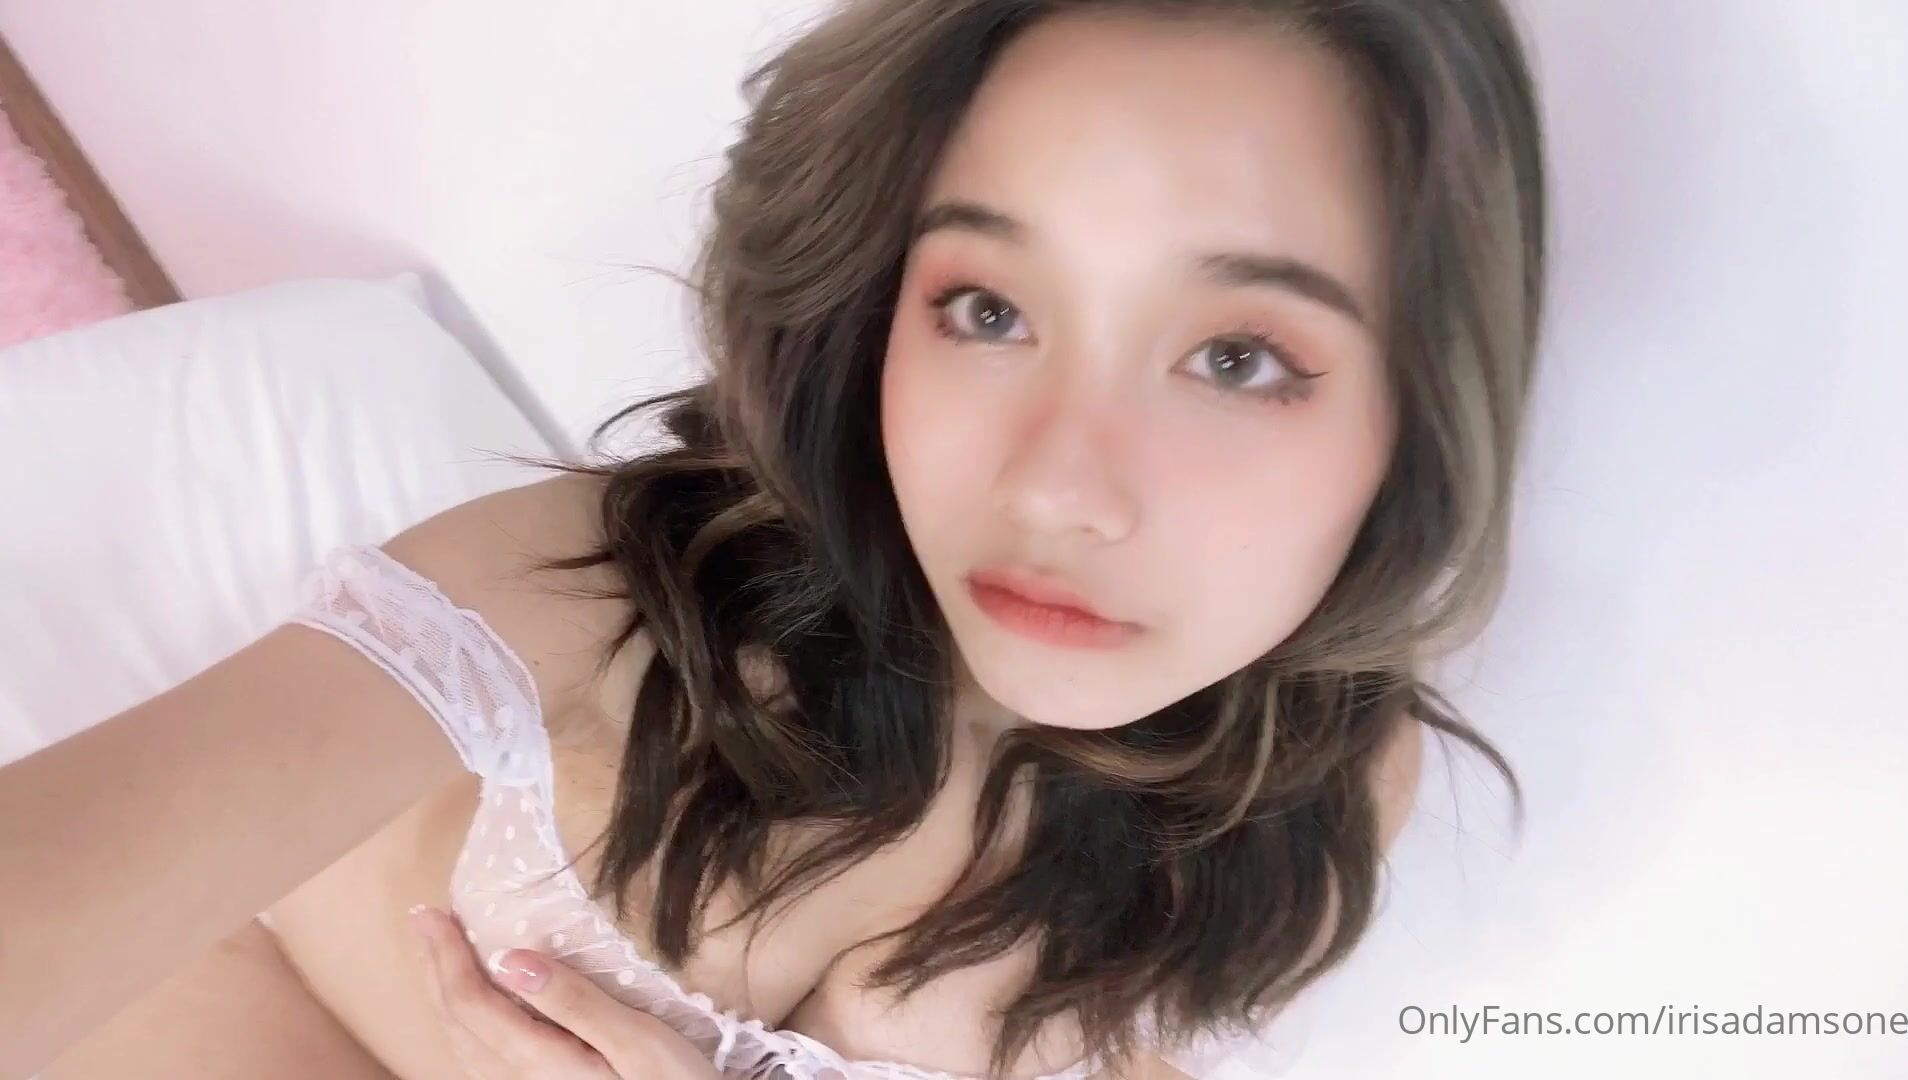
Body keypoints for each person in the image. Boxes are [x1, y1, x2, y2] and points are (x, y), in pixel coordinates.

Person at [0, 0, 1544, 1076]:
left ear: (1419, 414)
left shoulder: (1320, 782)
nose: (1063, 487)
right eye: (987, 310)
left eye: (1237, 357)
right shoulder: (595, 596)